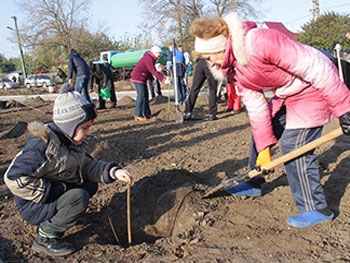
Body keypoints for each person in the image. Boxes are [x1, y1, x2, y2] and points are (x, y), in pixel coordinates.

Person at [190, 12, 350, 228]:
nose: (206, 61)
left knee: (295, 145)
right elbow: (256, 106)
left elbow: (315, 67)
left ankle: (315, 208)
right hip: (287, 92)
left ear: (222, 47)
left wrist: (344, 108)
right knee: (261, 135)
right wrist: (265, 147)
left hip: (312, 86)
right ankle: (253, 180)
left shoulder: (260, 42)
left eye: (208, 56)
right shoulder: (233, 68)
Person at [4, 83, 133, 256]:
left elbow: (86, 165)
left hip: (56, 191)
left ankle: (66, 216)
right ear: (69, 126)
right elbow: (13, 179)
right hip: (34, 204)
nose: (88, 132)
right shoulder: (42, 149)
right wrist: (54, 190)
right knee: (78, 197)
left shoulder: (72, 142)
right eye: (84, 128)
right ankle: (46, 236)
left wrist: (113, 172)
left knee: (89, 186)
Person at [130, 45, 170, 121]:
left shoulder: (151, 58)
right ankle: (138, 114)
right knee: (141, 96)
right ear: (155, 52)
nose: (160, 55)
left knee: (145, 96)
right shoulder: (148, 59)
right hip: (138, 78)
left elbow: (149, 71)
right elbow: (153, 71)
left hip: (143, 78)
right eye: (159, 53)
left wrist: (152, 79)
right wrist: (163, 79)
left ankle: (147, 114)